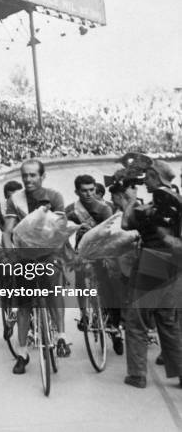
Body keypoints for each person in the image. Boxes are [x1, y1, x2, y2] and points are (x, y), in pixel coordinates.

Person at [2, 159, 70, 375]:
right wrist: (10, 253)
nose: (28, 179)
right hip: (25, 255)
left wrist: (60, 255)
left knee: (52, 289)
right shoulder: (16, 199)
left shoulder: (55, 197)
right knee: (24, 305)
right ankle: (22, 353)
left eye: (33, 175)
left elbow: (61, 229)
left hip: (49, 252)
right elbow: (7, 231)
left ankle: (61, 337)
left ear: (42, 176)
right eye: (25, 175)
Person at [121, 159, 182, 388]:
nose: (144, 180)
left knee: (136, 319)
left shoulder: (160, 200)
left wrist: (130, 200)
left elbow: (127, 224)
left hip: (154, 259)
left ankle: (137, 374)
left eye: (147, 176)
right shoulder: (176, 199)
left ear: (156, 177)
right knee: (167, 320)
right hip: (173, 262)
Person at [65, 175, 122, 355]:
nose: (89, 194)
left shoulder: (106, 208)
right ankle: (84, 314)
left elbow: (113, 232)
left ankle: (116, 327)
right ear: (77, 192)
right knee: (80, 278)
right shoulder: (71, 211)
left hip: (103, 250)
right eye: (84, 191)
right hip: (82, 250)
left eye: (91, 190)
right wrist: (68, 254)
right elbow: (60, 234)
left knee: (112, 284)